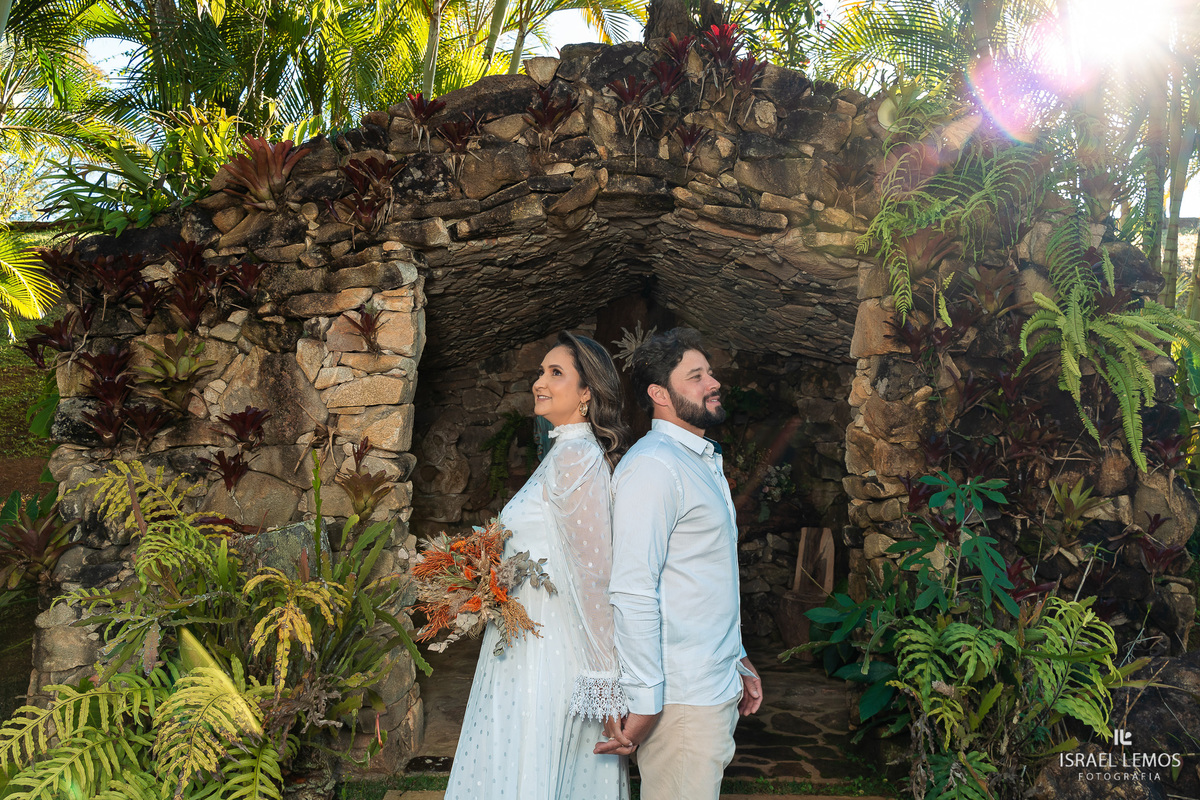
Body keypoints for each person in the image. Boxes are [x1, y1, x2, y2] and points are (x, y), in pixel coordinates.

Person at [446, 331, 633, 800]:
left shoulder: (577, 459)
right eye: (540, 372)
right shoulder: (564, 453)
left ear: (587, 392)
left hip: (551, 655)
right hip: (525, 645)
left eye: (555, 373)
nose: (539, 382)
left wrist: (605, 682)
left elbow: (595, 576)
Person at [596, 327, 762, 800]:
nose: (713, 382)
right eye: (696, 376)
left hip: (711, 681)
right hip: (681, 699)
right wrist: (646, 704)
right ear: (658, 394)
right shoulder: (655, 468)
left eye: (709, 372)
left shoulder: (700, 460)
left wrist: (738, 658)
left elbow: (701, 580)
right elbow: (631, 589)